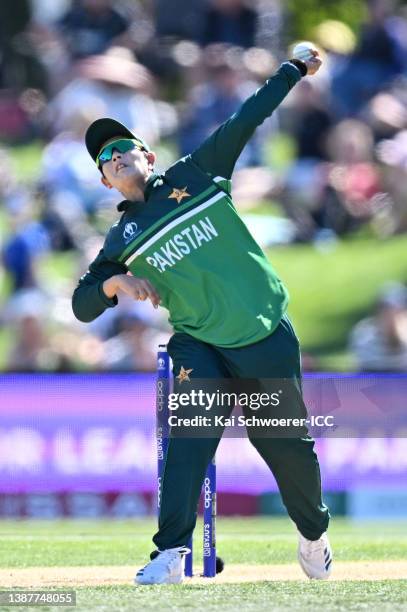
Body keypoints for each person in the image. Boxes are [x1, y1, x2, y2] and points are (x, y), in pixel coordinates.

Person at [72, 50, 332, 584]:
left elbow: (245, 119)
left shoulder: (196, 173)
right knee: (188, 443)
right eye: (105, 158)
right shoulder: (120, 240)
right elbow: (82, 302)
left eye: (123, 147)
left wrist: (292, 69)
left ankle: (313, 535)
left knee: (285, 450)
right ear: (103, 181)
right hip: (198, 344)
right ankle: (169, 553)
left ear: (147, 154)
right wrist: (115, 282)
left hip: (261, 333)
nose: (115, 156)